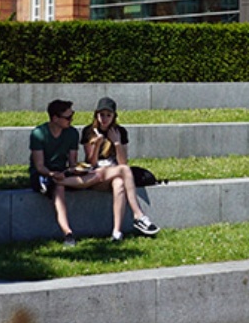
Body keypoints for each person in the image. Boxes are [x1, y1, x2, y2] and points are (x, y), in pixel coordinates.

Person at [75, 97, 159, 241]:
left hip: (114, 173)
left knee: (119, 182)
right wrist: (96, 144)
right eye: (102, 115)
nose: (104, 119)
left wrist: (117, 143)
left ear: (114, 116)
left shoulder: (120, 132)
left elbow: (122, 161)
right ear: (96, 115)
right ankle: (138, 215)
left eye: (109, 115)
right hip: (96, 176)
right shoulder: (89, 131)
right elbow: (91, 162)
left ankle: (116, 232)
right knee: (125, 170)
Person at [28, 99, 85, 246]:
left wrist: (77, 169)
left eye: (72, 115)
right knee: (59, 186)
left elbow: (72, 162)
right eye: (67, 117)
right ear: (55, 118)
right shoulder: (39, 134)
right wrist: (52, 174)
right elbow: (39, 166)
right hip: (43, 176)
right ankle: (67, 232)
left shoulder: (72, 133)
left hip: (63, 173)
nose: (71, 120)